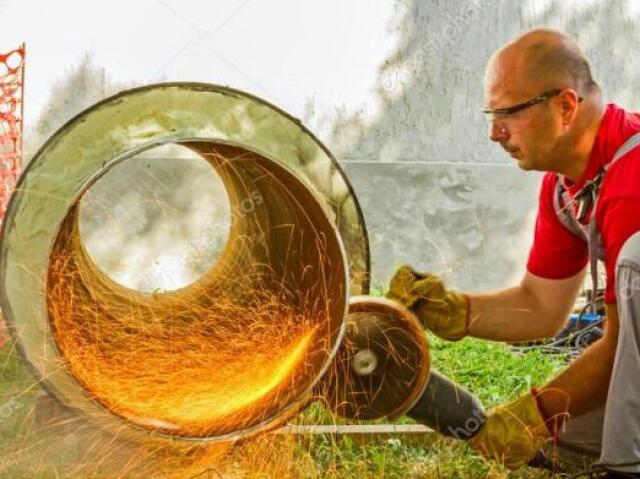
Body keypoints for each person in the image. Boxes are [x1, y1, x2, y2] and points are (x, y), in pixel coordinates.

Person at [387, 29, 640, 478]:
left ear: (565, 106)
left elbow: (623, 348)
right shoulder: (566, 185)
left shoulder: (631, 184)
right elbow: (541, 307)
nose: (493, 133)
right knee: (570, 438)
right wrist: (456, 311)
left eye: (508, 114)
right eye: (492, 115)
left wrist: (532, 417)